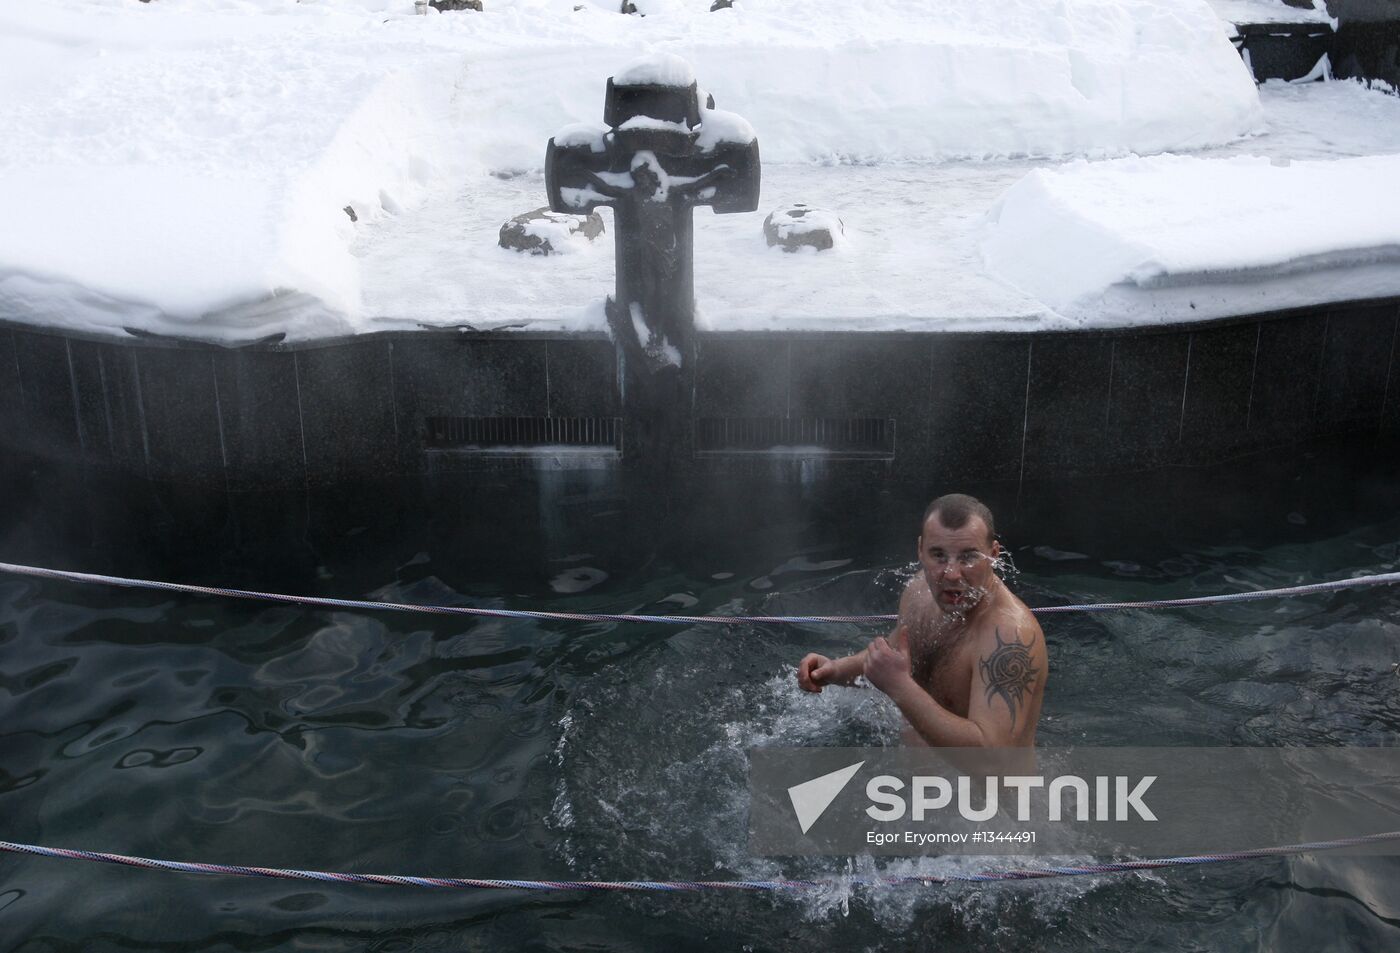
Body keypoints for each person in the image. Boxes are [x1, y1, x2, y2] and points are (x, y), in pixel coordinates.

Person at [796, 494, 1047, 747]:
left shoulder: (1009, 636)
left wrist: (900, 688)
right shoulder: (919, 593)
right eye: (938, 555)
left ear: (993, 555)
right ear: (920, 550)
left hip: (980, 787)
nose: (951, 574)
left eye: (968, 557)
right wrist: (836, 670)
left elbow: (993, 760)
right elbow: (896, 653)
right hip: (909, 781)